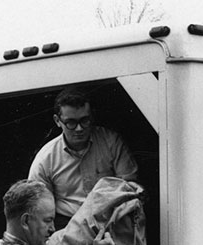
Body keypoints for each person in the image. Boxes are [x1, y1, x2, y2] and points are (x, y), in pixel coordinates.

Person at [28, 87, 138, 225]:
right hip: (68, 226)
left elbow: (130, 185)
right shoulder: (44, 159)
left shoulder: (111, 142)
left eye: (85, 121)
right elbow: (39, 210)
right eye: (71, 123)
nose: (79, 129)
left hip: (111, 220)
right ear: (57, 120)